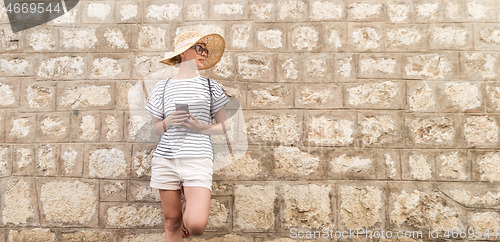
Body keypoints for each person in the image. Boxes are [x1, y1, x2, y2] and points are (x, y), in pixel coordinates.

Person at [145, 31, 229, 241]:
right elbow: (156, 128)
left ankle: (186, 207)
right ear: (183, 53)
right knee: (171, 221)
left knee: (196, 224)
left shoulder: (211, 87)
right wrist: (168, 122)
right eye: (199, 48)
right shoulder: (162, 87)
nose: (204, 53)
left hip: (198, 157)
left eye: (206, 50)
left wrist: (200, 127)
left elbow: (223, 127)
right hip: (166, 159)